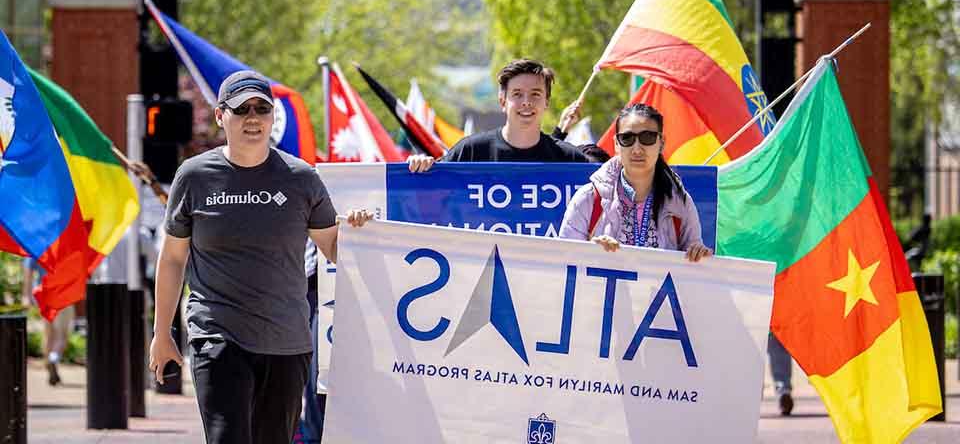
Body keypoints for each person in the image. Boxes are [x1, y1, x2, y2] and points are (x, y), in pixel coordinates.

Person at [148, 70, 370, 444]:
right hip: (217, 336)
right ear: (221, 116)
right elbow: (172, 259)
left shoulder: (301, 178)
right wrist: (161, 334)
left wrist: (360, 230)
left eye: (261, 109)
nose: (253, 118)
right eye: (242, 109)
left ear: (272, 116)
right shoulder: (194, 176)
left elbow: (334, 247)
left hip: (287, 342)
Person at [558, 103, 711, 262]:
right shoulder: (588, 198)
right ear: (616, 144)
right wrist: (589, 253)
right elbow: (562, 264)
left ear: (662, 142)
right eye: (627, 138)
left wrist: (698, 254)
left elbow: (693, 274)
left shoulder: (681, 203)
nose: (637, 149)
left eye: (648, 137)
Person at [408, 59, 589, 170]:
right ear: (502, 101)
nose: (526, 102)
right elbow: (432, 193)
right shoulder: (470, 151)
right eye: (517, 94)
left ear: (546, 102)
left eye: (535, 94)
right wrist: (420, 165)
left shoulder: (571, 160)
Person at [22, 258, 74, 385]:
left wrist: (27, 296)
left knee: (49, 334)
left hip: (44, 293)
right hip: (62, 293)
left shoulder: (36, 247)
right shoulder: (62, 245)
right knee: (62, 336)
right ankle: (53, 359)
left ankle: (48, 363)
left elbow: (28, 273)